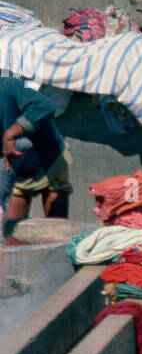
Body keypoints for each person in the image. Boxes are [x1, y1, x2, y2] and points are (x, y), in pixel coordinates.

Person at [0, 77, 72, 242]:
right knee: (12, 233)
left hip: (49, 161)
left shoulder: (9, 87)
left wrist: (11, 133)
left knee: (57, 235)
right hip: (17, 171)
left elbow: (44, 107)